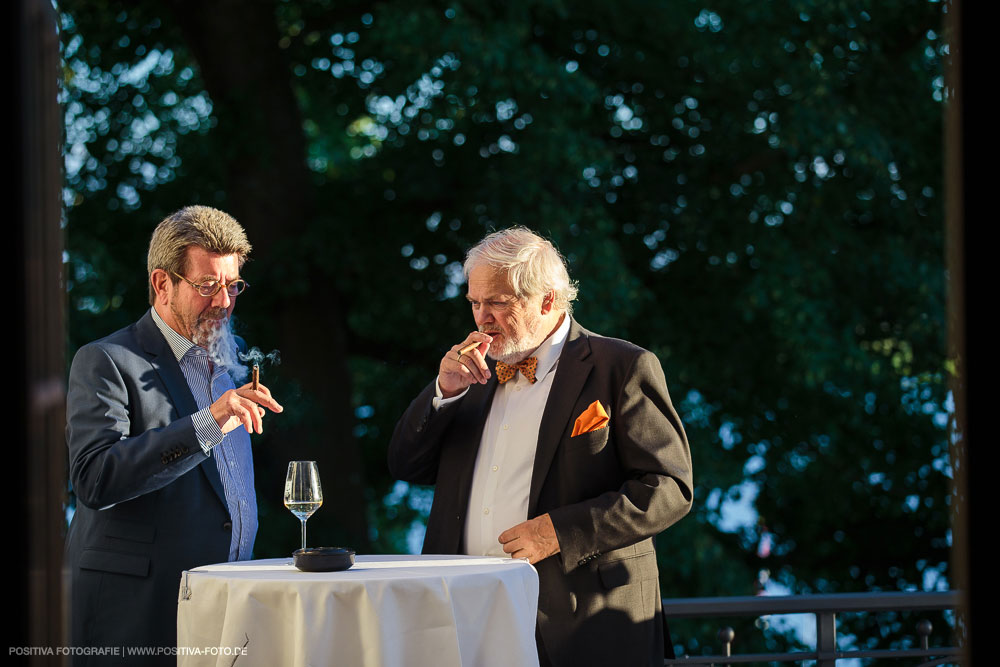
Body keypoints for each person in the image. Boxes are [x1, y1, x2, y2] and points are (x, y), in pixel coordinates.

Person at [388, 227, 694, 666]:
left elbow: (669, 488)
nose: (481, 318)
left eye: (497, 302)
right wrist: (444, 390)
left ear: (548, 300)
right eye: (475, 303)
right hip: (464, 613)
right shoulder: (469, 371)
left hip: (582, 619)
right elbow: (405, 465)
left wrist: (559, 532)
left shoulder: (621, 366)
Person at [65, 205, 283, 663]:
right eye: (208, 286)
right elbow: (94, 479)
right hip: (136, 618)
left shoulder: (233, 357)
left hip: (226, 608)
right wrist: (209, 422)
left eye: (233, 285)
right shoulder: (106, 360)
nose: (224, 301)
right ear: (163, 284)